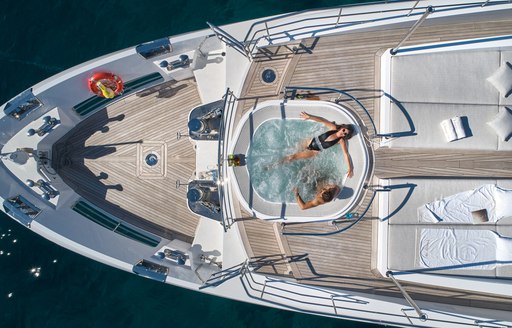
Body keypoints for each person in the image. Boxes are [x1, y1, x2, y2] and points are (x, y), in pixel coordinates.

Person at [281, 111, 354, 178]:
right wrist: (309, 116)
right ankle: (279, 162)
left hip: (313, 151)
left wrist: (350, 168)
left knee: (292, 157)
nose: (343, 132)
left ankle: (274, 165)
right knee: (290, 150)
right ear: (342, 127)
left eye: (345, 134)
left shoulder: (341, 141)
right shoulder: (333, 128)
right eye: (343, 130)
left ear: (345, 136)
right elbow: (322, 120)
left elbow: (346, 154)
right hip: (309, 141)